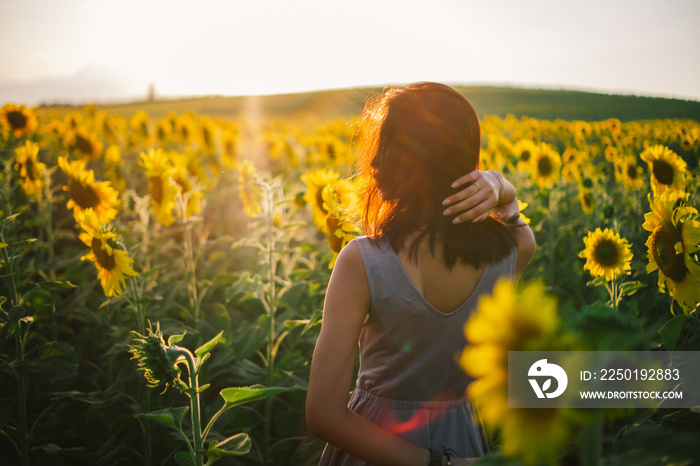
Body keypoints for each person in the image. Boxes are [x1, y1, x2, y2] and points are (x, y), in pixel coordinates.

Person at [306, 82, 536, 466]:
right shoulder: (511, 252)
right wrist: (502, 188)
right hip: (459, 441)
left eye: (389, 144)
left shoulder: (361, 261)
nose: (375, 160)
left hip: (371, 446)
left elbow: (322, 415)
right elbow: (515, 221)